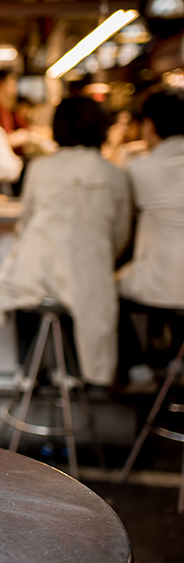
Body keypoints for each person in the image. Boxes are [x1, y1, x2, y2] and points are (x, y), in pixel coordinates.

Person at [0, 96, 131, 387]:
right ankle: (73, 372)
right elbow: (121, 235)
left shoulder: (40, 168)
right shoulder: (114, 174)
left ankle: (27, 370)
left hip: (33, 276)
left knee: (24, 282)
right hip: (86, 281)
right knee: (79, 286)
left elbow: (25, 223)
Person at [116, 87, 184, 388]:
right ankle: (170, 357)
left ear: (149, 125)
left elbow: (115, 210)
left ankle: (138, 366)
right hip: (169, 284)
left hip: (163, 286)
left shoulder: (139, 168)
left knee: (104, 288)